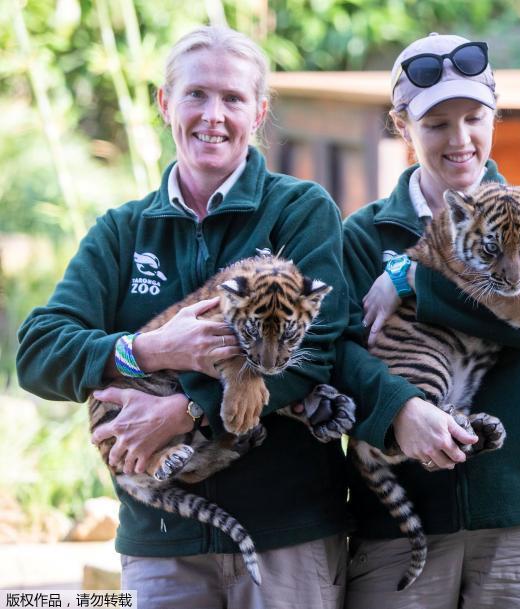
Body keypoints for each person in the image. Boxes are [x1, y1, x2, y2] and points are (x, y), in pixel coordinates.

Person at [16, 26, 349, 609]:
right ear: (165, 102)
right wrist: (148, 352)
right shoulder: (123, 230)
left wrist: (186, 407)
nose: (212, 116)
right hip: (160, 544)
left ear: (260, 112)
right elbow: (39, 353)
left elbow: (319, 349)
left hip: (284, 536)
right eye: (196, 94)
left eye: (233, 99)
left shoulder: (297, 210)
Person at [334, 33, 520, 609]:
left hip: (517, 524)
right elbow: (338, 354)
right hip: (397, 532)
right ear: (402, 126)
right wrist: (400, 411)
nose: (459, 139)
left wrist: (411, 278)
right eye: (436, 123)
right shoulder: (364, 235)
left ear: (495, 116)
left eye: (473, 117)